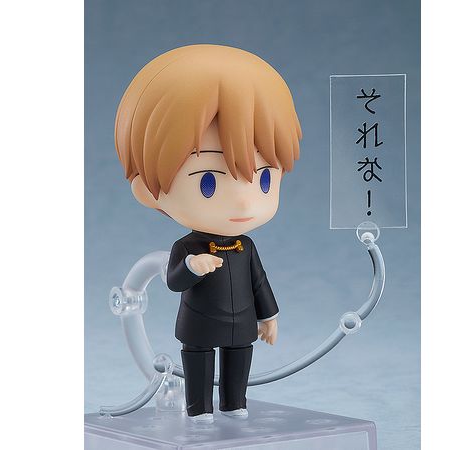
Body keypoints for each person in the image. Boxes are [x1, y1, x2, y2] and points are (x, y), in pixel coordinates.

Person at [114, 44, 302, 423]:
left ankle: (234, 403)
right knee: (198, 361)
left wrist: (269, 316)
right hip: (199, 324)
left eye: (264, 178)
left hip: (242, 324)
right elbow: (173, 281)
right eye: (208, 182)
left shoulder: (246, 245)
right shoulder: (186, 246)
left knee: (239, 360)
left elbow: (258, 281)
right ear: (148, 189)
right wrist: (192, 266)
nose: (244, 202)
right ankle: (198, 408)